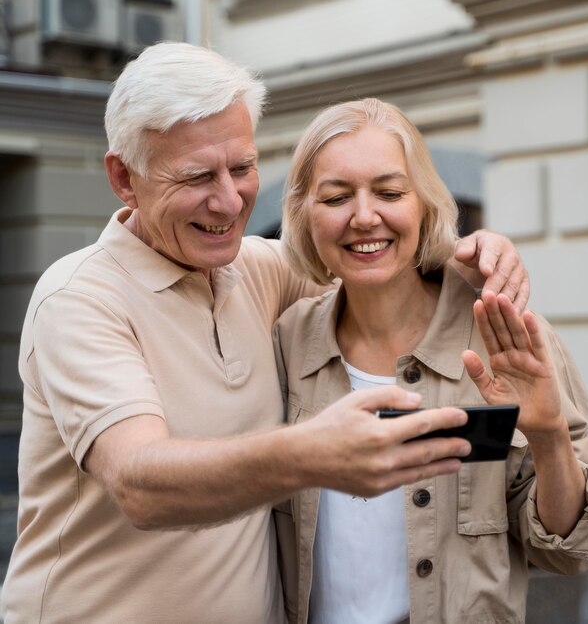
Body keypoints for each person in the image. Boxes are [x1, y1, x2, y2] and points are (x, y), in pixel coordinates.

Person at [2, 43, 531, 624]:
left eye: (244, 167)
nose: (230, 201)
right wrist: (310, 453)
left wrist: (471, 253)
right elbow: (139, 484)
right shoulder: (80, 297)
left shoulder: (256, 268)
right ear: (124, 178)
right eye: (197, 176)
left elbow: (368, 255)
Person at [273, 98, 588, 624]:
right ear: (305, 213)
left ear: (424, 205)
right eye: (337, 196)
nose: (365, 216)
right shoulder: (284, 342)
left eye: (390, 193)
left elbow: (575, 551)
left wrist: (548, 435)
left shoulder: (505, 337)